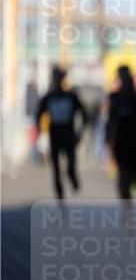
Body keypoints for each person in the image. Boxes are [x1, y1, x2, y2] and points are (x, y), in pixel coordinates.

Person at [35, 67, 88, 200]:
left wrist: (79, 133)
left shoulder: (71, 96)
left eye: (60, 78)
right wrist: (40, 132)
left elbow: (84, 115)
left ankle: (73, 178)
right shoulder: (48, 97)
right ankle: (60, 195)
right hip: (55, 136)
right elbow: (38, 115)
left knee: (70, 165)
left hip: (69, 135)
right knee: (56, 169)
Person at [106, 65, 136, 201]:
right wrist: (109, 140)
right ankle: (128, 205)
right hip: (122, 143)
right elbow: (110, 121)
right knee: (124, 178)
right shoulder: (114, 98)